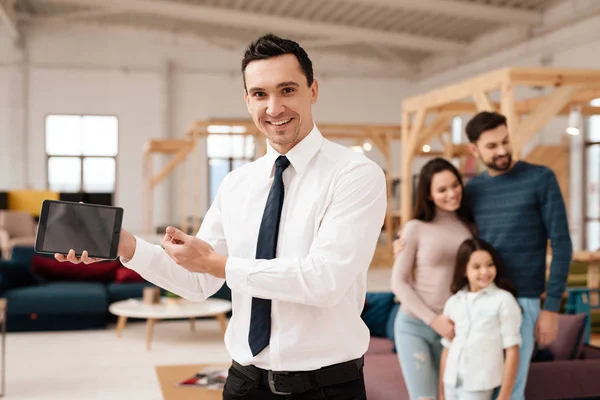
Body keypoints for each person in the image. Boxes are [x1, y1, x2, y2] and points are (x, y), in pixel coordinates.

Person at [55, 33, 387, 399]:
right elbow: (198, 283)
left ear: (313, 90)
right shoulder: (236, 185)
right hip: (244, 384)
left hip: (326, 388)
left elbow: (324, 280)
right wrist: (126, 245)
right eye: (260, 94)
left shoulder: (355, 174)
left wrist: (218, 265)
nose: (274, 107)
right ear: (247, 100)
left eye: (287, 90)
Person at [394, 111, 572, 399]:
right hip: (477, 302)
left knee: (510, 391)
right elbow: (445, 226)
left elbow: (562, 245)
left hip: (524, 300)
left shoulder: (541, 179)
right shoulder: (473, 190)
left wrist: (551, 308)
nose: (502, 151)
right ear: (474, 150)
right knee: (476, 389)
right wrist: (401, 237)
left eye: (505, 141)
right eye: (491, 146)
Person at [391, 157, 475, 400]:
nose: (451, 193)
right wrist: (432, 320)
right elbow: (399, 282)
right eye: (442, 189)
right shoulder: (415, 228)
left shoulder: (468, 227)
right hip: (415, 325)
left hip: (453, 327)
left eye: (455, 185)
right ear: (428, 195)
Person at [440, 238, 522, 400]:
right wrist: (441, 393)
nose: (485, 272)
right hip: (451, 382)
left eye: (490, 265)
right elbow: (447, 348)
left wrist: (504, 397)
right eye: (476, 267)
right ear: (464, 270)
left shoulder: (504, 300)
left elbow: (512, 350)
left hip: (478, 385)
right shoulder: (453, 302)